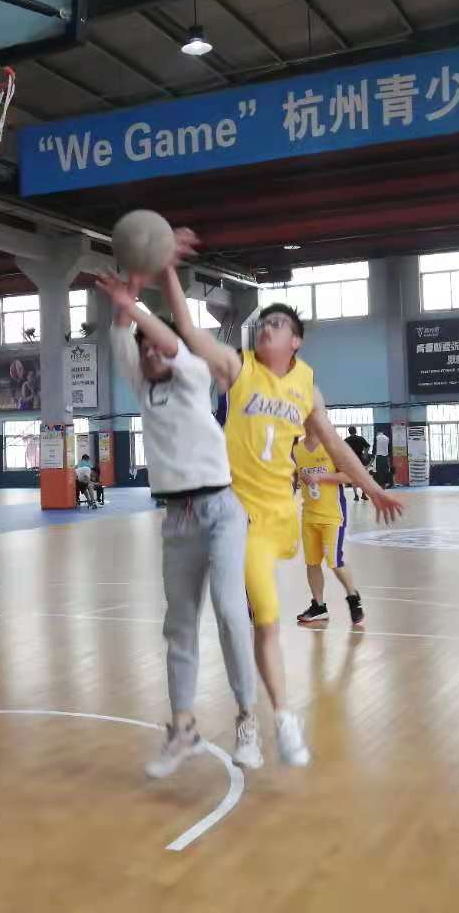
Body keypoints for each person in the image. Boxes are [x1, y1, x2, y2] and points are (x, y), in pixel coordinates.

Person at [165, 229, 403, 767]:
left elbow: (336, 446)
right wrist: (169, 272)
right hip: (238, 516)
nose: (265, 328)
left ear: (295, 341)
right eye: (263, 323)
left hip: (281, 516)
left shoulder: (307, 389)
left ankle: (258, 717)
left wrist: (373, 487)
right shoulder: (238, 369)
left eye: (275, 324)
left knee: (261, 618)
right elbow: (188, 330)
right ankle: (269, 719)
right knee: (267, 617)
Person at [97, 276, 263, 776]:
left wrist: (135, 308)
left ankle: (248, 719)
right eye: (144, 349)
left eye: (156, 346)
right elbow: (120, 336)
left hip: (221, 511)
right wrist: (124, 305)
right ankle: (184, 727)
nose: (150, 353)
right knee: (180, 624)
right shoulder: (143, 386)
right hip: (177, 520)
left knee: (231, 612)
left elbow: (168, 340)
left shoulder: (191, 372)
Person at [292, 425, 365, 626]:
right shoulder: (296, 449)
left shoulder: (332, 446)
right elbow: (293, 477)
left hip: (333, 514)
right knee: (312, 562)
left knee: (334, 561)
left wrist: (320, 477)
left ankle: (353, 597)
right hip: (309, 514)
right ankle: (319, 606)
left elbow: (350, 476)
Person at [343, 429, 371, 502]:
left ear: (349, 432)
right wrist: (365, 454)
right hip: (360, 461)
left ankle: (356, 495)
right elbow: (368, 446)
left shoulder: (346, 440)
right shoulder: (360, 438)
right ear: (355, 431)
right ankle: (363, 494)